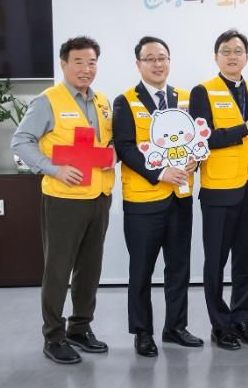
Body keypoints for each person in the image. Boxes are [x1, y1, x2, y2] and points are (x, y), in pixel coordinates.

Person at [11, 36, 115, 364]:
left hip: (99, 196)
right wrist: (54, 169)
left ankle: (79, 329)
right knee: (58, 270)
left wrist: (112, 155)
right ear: (64, 64)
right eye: (79, 62)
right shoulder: (48, 101)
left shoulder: (102, 102)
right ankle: (53, 336)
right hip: (63, 200)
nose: (86, 69)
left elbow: (106, 142)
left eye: (92, 62)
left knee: (90, 269)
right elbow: (21, 141)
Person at [112, 36, 203, 357]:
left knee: (179, 267)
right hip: (143, 202)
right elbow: (124, 148)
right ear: (138, 64)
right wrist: (159, 172)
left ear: (169, 61)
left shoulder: (185, 98)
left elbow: (197, 140)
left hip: (180, 198)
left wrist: (195, 160)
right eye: (150, 58)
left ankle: (175, 327)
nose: (157, 63)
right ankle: (142, 332)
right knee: (141, 270)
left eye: (162, 57)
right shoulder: (125, 101)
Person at [189, 29, 248, 350]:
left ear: (246, 57)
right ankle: (220, 324)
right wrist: (245, 127)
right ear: (216, 57)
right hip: (219, 189)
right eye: (225, 51)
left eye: (238, 51)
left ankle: (242, 318)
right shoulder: (202, 92)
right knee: (215, 262)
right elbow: (202, 139)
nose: (232, 56)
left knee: (247, 260)